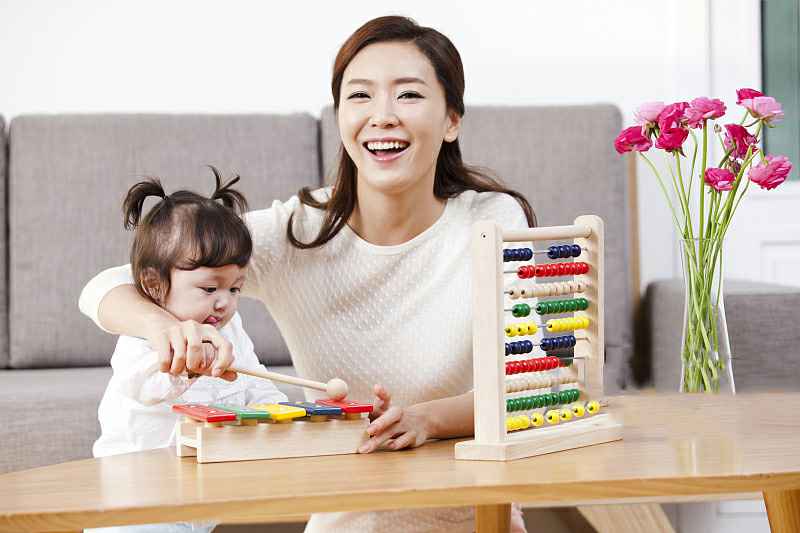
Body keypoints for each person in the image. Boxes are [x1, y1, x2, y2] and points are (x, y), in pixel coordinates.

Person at [80, 16, 534, 533]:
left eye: (408, 95)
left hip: (472, 508)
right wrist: (164, 327)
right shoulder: (298, 232)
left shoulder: (492, 222)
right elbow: (105, 286)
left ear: (451, 119)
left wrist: (427, 419)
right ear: (340, 117)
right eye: (360, 96)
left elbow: (526, 386)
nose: (382, 116)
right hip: (349, 518)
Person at [88, 168, 287, 533]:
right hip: (136, 502)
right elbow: (143, 387)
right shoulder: (143, 336)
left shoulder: (229, 330)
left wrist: (284, 414)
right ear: (153, 284)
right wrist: (187, 368)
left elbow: (255, 381)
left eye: (235, 288)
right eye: (209, 289)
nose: (224, 303)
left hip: (200, 499)